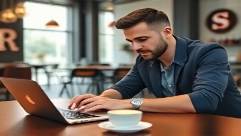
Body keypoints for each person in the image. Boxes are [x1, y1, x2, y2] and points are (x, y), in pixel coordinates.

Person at [69, 8, 241, 117]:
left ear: (167, 31)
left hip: (225, 126)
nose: (135, 47)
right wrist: (100, 100)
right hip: (182, 126)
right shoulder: (145, 60)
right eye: (131, 42)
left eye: (142, 39)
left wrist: (129, 103)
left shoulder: (209, 52)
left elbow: (204, 100)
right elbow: (122, 89)